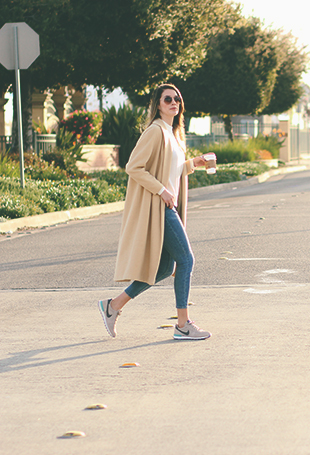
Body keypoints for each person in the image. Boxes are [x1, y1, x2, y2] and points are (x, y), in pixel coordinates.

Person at [98, 83, 211, 340]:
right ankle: (183, 325)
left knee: (161, 269)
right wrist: (162, 191)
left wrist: (193, 163)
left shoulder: (172, 134)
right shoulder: (155, 131)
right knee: (186, 260)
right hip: (160, 208)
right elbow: (134, 167)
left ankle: (113, 306)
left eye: (177, 99)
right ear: (158, 105)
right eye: (167, 99)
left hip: (166, 206)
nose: (173, 102)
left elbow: (171, 170)